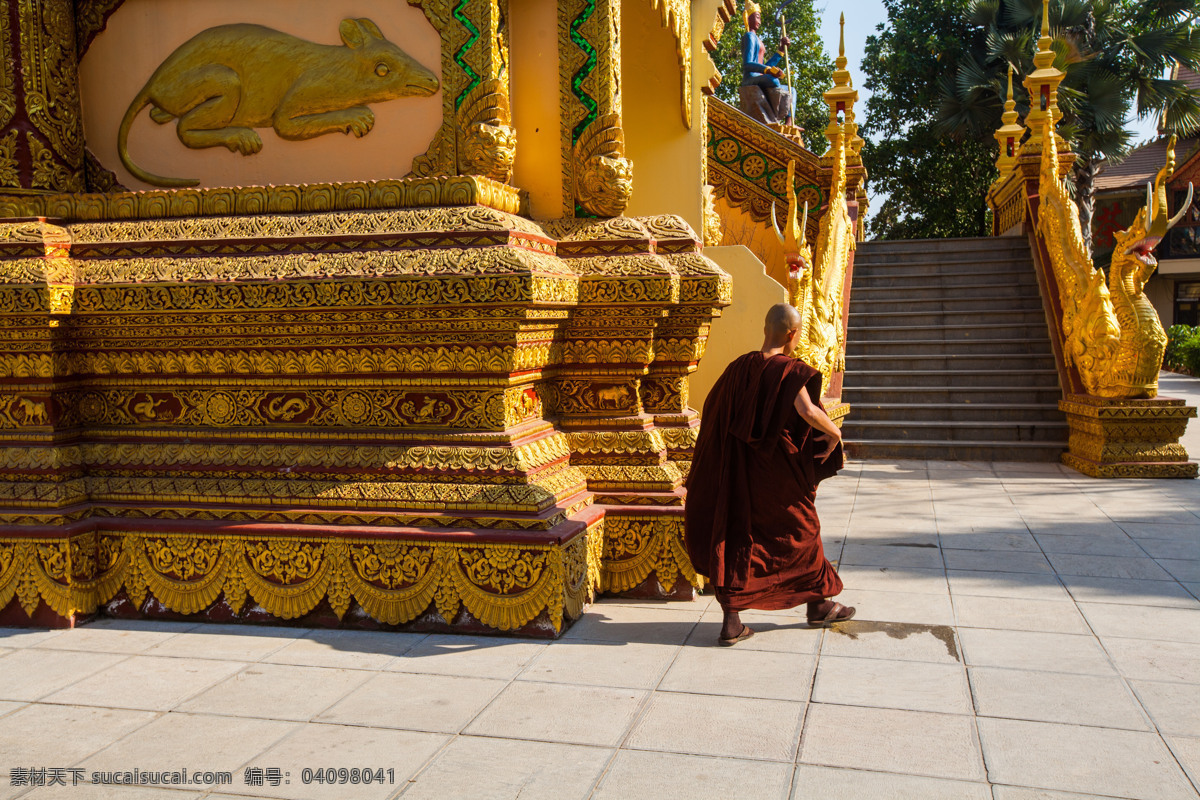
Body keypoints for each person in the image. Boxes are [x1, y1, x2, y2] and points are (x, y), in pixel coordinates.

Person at [685, 303, 854, 646]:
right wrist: (835, 433)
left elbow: (713, 413)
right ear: (793, 334)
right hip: (777, 476)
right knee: (802, 531)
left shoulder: (737, 368)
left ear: (766, 328)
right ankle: (818, 603)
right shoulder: (788, 370)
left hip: (740, 474)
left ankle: (733, 621)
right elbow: (806, 411)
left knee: (737, 536)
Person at [740, 2, 795, 125]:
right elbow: (747, 64)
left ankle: (789, 122)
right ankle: (773, 113)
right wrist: (768, 71)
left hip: (760, 77)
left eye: (760, 17)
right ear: (748, 18)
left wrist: (781, 51)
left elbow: (765, 65)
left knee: (792, 90)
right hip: (750, 78)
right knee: (773, 80)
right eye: (757, 17)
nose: (759, 20)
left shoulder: (758, 39)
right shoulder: (749, 36)